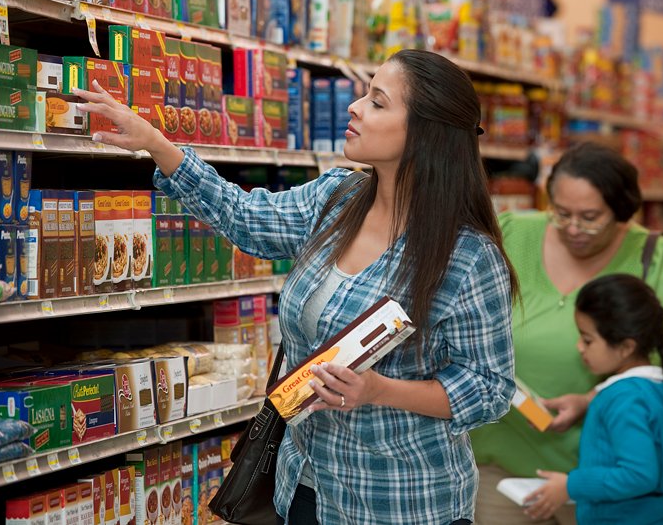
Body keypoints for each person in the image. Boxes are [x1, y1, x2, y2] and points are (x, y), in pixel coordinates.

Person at [73, 49, 517, 525]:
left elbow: (490, 389)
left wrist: (380, 390)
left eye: (378, 102)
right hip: (303, 486)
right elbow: (244, 217)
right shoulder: (337, 199)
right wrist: (155, 143)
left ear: (425, 134)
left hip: (401, 502)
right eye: (365, 93)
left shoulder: (466, 257)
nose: (355, 107)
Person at [471, 141, 663, 525]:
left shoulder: (654, 256)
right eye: (561, 213)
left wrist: (591, 398)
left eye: (591, 217)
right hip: (501, 461)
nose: (573, 228)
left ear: (621, 211)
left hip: (606, 471)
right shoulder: (511, 232)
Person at [525, 273, 663, 523]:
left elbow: (639, 474)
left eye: (588, 340)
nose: (579, 347)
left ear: (626, 347)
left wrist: (570, 486)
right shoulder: (654, 387)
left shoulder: (625, 399)